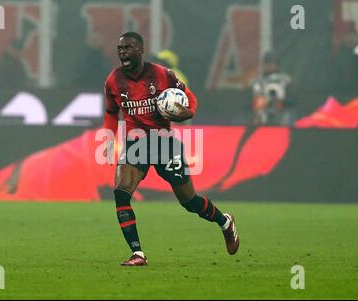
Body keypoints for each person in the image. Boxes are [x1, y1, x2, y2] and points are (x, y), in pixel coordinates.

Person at [103, 32, 239, 266]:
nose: (122, 52)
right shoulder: (113, 81)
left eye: (127, 47)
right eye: (120, 48)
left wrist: (188, 112)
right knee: (121, 191)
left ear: (140, 50)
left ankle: (225, 222)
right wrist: (109, 139)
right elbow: (111, 112)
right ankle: (138, 253)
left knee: (189, 201)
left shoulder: (162, 75)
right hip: (137, 143)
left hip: (164, 142)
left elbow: (189, 98)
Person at [252, 52, 292, 126]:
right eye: (267, 63)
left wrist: (280, 101)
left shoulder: (285, 80)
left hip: (282, 115)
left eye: (273, 63)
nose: (270, 66)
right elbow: (255, 100)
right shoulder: (258, 81)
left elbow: (291, 101)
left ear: (277, 65)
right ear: (263, 65)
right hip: (262, 115)